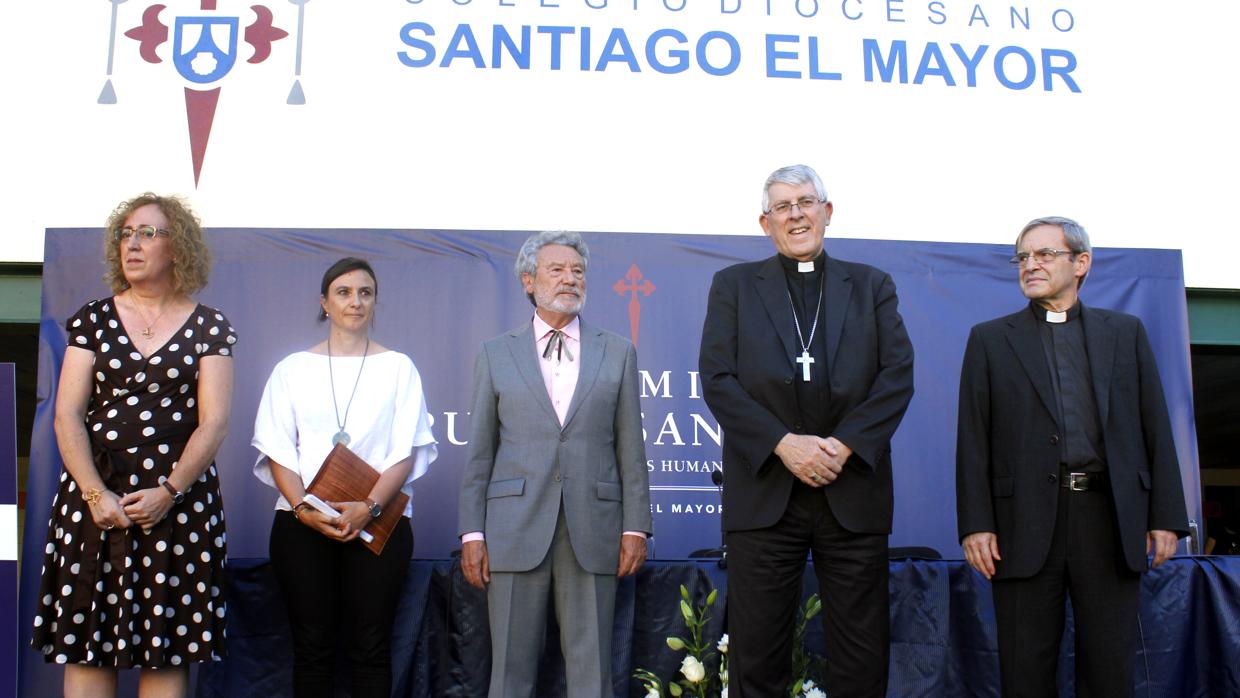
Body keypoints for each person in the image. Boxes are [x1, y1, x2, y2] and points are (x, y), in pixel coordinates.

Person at [699, 165, 915, 697]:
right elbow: (718, 379)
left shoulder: (871, 286)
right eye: (783, 206)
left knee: (861, 653)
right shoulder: (733, 286)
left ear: (827, 212)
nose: (796, 214)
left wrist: (841, 446)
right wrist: (783, 444)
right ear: (764, 222)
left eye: (806, 201)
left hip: (852, 488)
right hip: (766, 491)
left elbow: (897, 376)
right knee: (757, 651)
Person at [956, 216, 1189, 697]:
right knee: (1025, 670)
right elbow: (973, 438)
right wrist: (976, 523)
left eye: (1045, 254)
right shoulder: (990, 339)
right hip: (1022, 523)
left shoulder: (1125, 333)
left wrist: (1166, 516)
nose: (1031, 265)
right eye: (1023, 256)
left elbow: (1155, 425)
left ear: (1081, 263)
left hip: (1108, 519)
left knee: (1109, 669)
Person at [32, 193, 236, 696]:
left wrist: (170, 491)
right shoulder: (92, 319)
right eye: (126, 234)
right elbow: (67, 415)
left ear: (178, 248)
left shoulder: (211, 326)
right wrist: (97, 496)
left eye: (148, 233)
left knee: (165, 650)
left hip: (178, 506)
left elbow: (213, 423)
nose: (133, 244)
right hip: (94, 499)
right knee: (86, 644)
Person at [458, 231, 652, 698]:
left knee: (593, 675)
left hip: (595, 526)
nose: (570, 278)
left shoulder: (618, 350)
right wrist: (472, 533)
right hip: (513, 527)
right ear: (529, 280)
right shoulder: (495, 352)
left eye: (578, 270)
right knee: (509, 673)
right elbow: (481, 450)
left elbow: (631, 447)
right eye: (557, 270)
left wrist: (636, 527)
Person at [251, 257, 438, 697]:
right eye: (344, 292)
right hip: (301, 525)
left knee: (371, 647)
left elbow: (405, 451)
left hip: (379, 523)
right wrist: (302, 509)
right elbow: (278, 448)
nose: (355, 301)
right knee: (312, 649)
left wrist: (368, 508)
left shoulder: (399, 368)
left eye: (365, 293)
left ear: (375, 302)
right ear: (325, 303)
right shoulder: (291, 368)